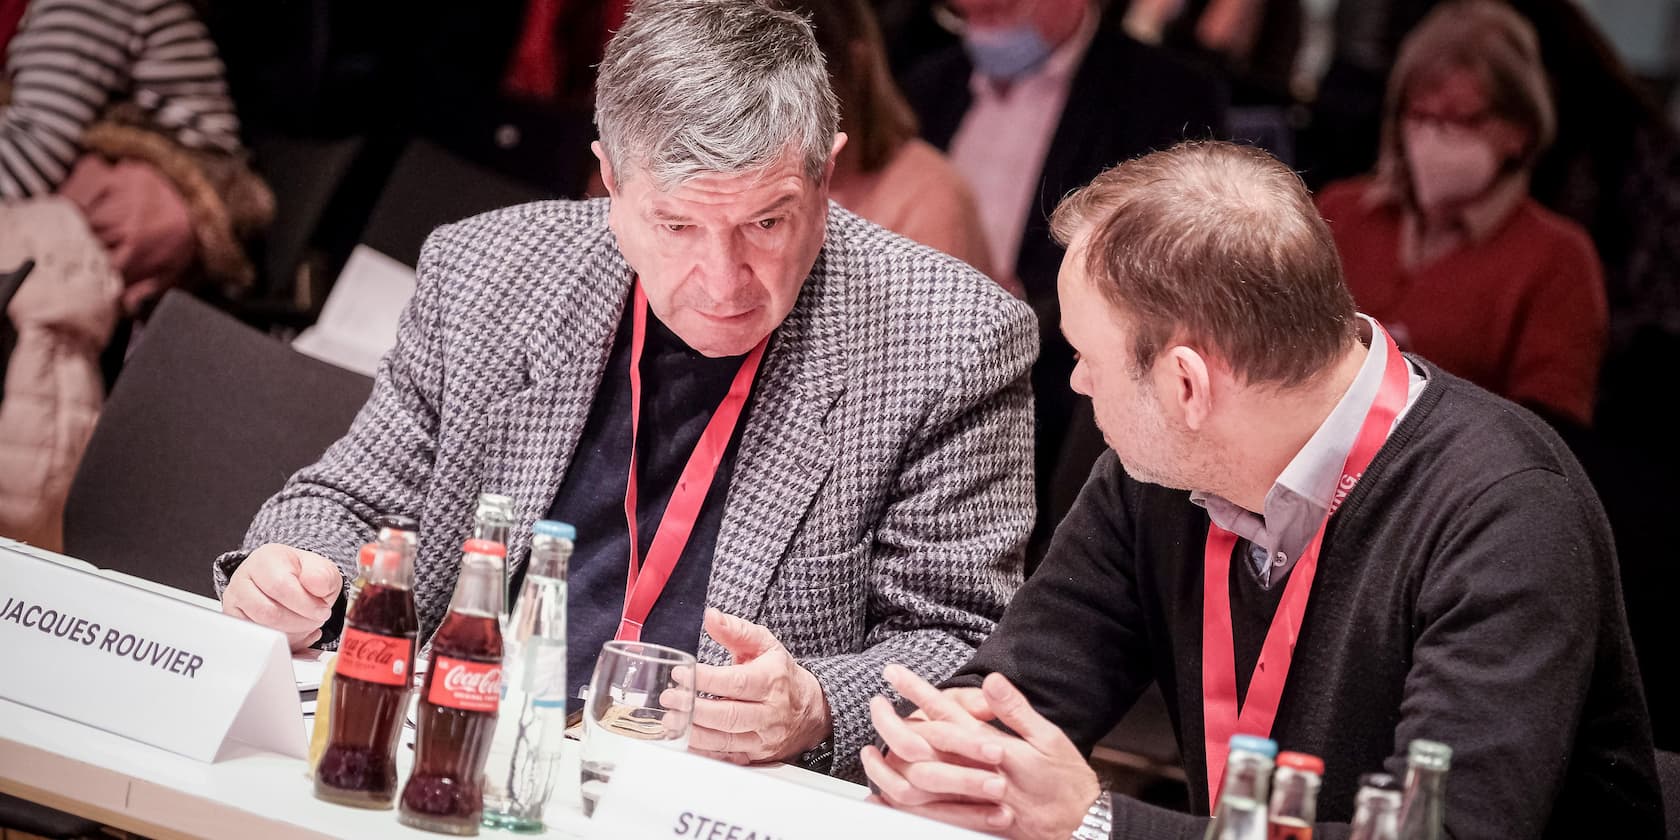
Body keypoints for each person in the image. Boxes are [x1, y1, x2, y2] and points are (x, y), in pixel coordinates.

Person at [214, 0, 1034, 783]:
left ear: (825, 177)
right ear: (609, 181)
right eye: (677, 226)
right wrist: (294, 571)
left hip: (712, 795)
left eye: (766, 223)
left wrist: (818, 707)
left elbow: (962, 643)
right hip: (464, 747)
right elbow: (347, 502)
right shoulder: (488, 274)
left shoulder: (949, 342)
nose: (723, 281)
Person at [861, 141, 1662, 837]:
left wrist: (1093, 822)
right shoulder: (1157, 474)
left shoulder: (1506, 513)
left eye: (1086, 358)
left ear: (1185, 385)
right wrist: (952, 748)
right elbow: (1019, 691)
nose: (1075, 382)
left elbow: (1450, 832)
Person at [901, 0, 1226, 561]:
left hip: (1062, 381)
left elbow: (1168, 269)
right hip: (919, 364)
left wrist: (1025, 311)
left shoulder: (1164, 94)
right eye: (965, 15)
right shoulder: (931, 81)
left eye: (998, 12)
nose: (980, 25)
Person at [1315, 0, 1606, 430]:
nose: (1433, 136)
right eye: (1420, 115)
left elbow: (1548, 434)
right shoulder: (1340, 210)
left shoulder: (1558, 258)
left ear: (1519, 131)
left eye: (1459, 120)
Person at [775, 0, 1007, 295]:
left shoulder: (930, 199)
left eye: (793, 91)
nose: (773, 118)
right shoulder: (744, 186)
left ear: (856, 65)